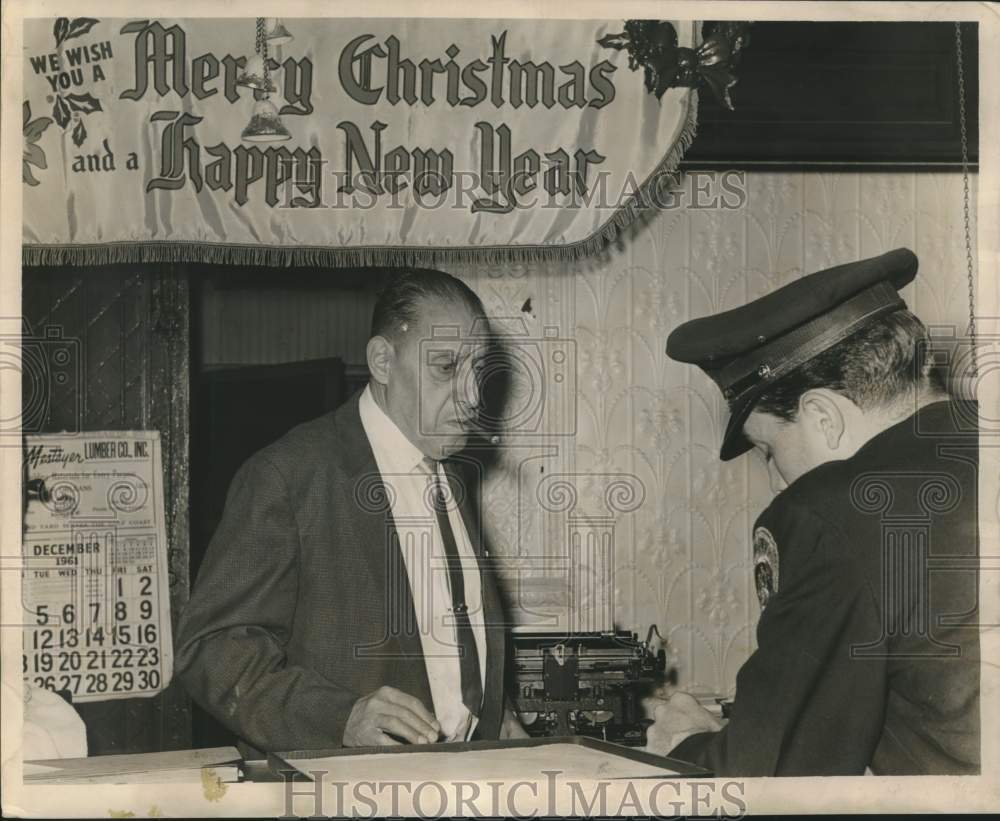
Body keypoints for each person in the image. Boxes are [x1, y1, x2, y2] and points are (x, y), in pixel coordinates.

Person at [649, 248, 980, 776]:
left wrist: (685, 745)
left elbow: (772, 781)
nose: (778, 480)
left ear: (823, 416)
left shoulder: (831, 512)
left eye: (769, 449)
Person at [175, 269, 526, 754]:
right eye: (446, 367)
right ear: (382, 360)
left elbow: (447, 636)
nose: (471, 398)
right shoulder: (288, 475)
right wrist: (340, 718)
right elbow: (211, 649)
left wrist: (495, 714)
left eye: (478, 371)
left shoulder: (450, 473)